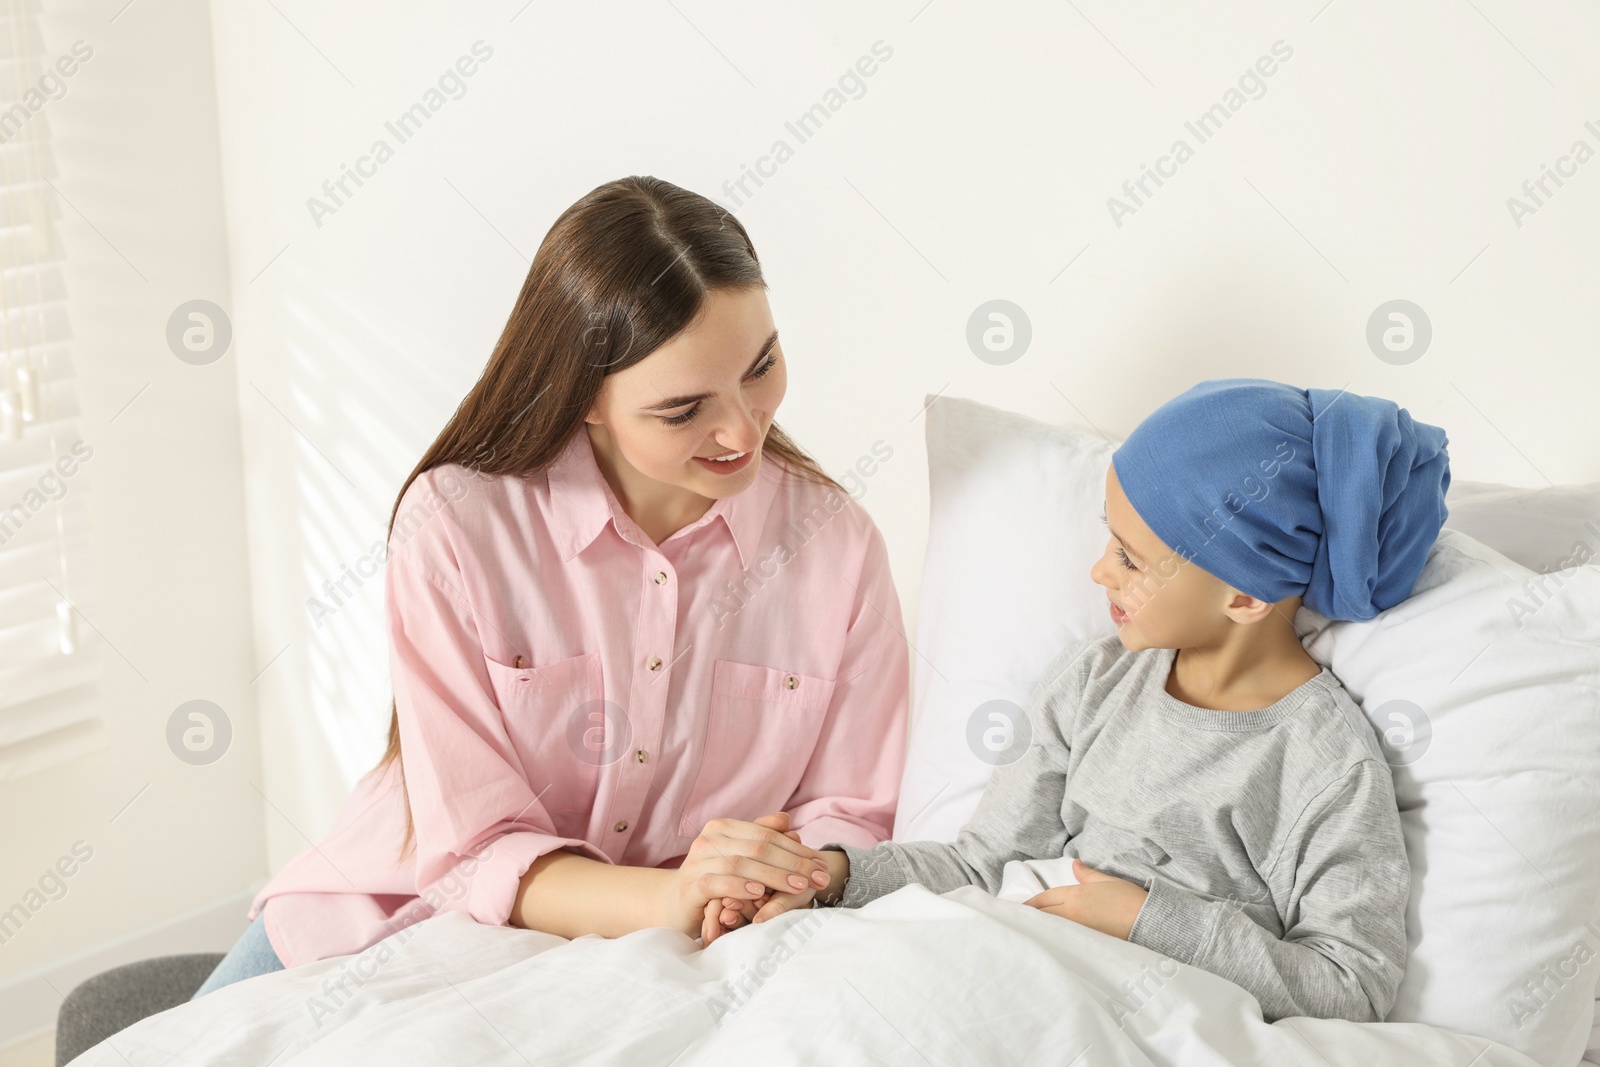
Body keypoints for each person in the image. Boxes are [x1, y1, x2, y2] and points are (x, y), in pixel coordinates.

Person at [191, 175, 909, 998]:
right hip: (386, 911)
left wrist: (781, 878)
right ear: (586, 399)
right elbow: (475, 852)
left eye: (761, 366)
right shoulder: (457, 526)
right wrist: (674, 893)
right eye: (683, 410)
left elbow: (850, 814)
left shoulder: (836, 547)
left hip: (675, 953)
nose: (744, 429)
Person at [741, 379, 1449, 1024]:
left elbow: (1351, 983)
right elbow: (978, 863)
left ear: (1245, 594)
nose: (1098, 570)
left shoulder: (1324, 760)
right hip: (1019, 972)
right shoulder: (1096, 682)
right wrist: (832, 874)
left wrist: (1146, 918)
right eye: (1110, 538)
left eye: (1131, 558)